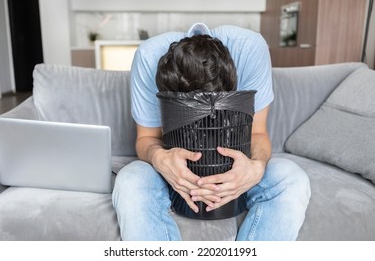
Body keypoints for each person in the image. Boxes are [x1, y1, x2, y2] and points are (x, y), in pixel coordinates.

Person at [112, 23, 311, 241]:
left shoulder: (249, 49)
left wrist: (256, 167)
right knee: (130, 180)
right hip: (172, 172)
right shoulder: (149, 56)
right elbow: (146, 138)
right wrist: (159, 157)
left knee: (292, 178)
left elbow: (257, 134)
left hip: (236, 166)